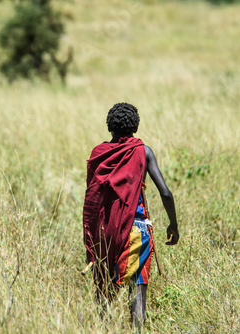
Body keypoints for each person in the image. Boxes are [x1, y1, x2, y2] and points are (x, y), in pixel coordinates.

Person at [82, 102, 179, 330]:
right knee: (137, 290)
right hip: (136, 230)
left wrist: (91, 236)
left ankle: (103, 328)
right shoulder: (142, 151)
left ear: (110, 126)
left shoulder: (99, 153)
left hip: (105, 231)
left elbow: (93, 199)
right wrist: (173, 224)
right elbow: (165, 192)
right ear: (135, 126)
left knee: (104, 294)